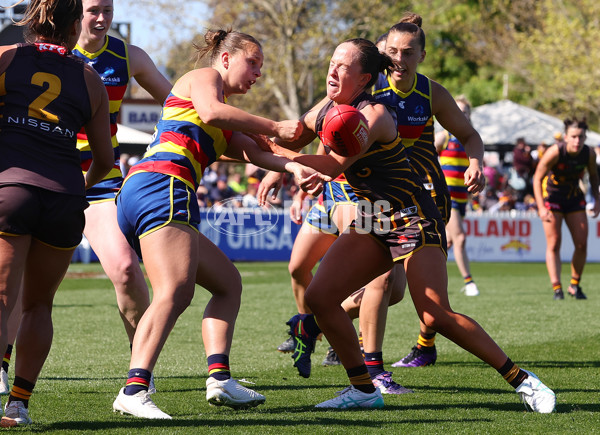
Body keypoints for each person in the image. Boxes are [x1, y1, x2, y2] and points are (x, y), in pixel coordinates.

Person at [258, 37, 555, 413]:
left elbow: (332, 166)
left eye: (343, 66)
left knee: (434, 314)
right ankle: (364, 389)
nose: (332, 71)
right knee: (318, 298)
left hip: (413, 215)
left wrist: (261, 155)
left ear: (364, 78)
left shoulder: (375, 116)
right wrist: (245, 132)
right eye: (331, 62)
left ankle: (523, 381)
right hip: (373, 215)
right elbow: (291, 132)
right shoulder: (329, 107)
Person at [111, 28, 326, 419]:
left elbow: (255, 153)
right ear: (225, 59)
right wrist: (276, 126)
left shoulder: (222, 119)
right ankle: (134, 388)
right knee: (174, 292)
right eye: (253, 62)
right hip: (164, 184)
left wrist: (293, 167)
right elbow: (213, 112)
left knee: (227, 283)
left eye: (262, 66)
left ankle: (221, 380)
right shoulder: (205, 80)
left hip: (148, 190)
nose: (258, 72)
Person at [0, 0, 114, 426]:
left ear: (33, 20)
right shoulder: (90, 78)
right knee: (38, 306)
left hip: (12, 188)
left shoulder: (8, 57)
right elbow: (104, 158)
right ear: (73, 25)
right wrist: (77, 189)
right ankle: (19, 406)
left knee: (1, 299)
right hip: (65, 198)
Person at [371, 13, 486, 368]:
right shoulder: (370, 88)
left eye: (408, 53)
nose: (400, 60)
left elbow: (470, 136)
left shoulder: (431, 93)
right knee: (385, 284)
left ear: (422, 56)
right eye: (393, 52)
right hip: (378, 198)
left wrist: (476, 162)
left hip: (428, 198)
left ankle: (420, 347)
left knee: (409, 287)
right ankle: (320, 325)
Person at [70, 0, 173, 374]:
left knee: (128, 269)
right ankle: (4, 363)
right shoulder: (52, 52)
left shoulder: (128, 56)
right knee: (17, 278)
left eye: (108, 10)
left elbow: (177, 105)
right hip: (49, 177)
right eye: (93, 10)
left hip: (101, 182)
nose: (101, 18)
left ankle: (139, 371)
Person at [532, 117, 600, 300]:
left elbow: (594, 177)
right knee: (554, 242)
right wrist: (540, 207)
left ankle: (574, 285)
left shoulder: (589, 154)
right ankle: (557, 288)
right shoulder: (554, 152)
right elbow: (537, 178)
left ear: (585, 138)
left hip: (574, 198)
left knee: (582, 243)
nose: (577, 141)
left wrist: (597, 200)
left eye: (581, 137)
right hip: (552, 198)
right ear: (565, 137)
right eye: (574, 136)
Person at [435, 96, 481, 297]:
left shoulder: (471, 139)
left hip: (462, 198)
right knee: (460, 238)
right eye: (459, 111)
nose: (462, 115)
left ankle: (426, 276)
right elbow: (426, 155)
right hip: (447, 196)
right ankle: (469, 282)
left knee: (446, 242)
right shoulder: (444, 136)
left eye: (465, 112)